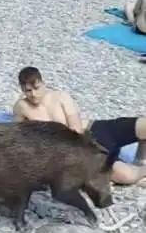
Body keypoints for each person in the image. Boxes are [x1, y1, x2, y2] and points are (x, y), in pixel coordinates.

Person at [13, 66, 146, 186]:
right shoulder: (22, 107)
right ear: (22, 90)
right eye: (28, 91)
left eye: (37, 88)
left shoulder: (60, 96)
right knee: (126, 176)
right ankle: (141, 171)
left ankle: (141, 159)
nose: (34, 94)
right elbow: (17, 137)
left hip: (94, 131)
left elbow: (75, 126)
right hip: (80, 152)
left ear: (43, 83)